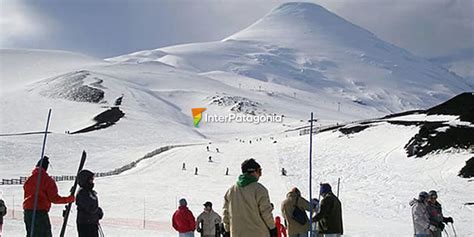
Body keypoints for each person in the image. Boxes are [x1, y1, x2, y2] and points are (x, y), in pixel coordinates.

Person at [222, 158, 277, 237]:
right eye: (259, 171)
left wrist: (227, 230)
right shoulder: (259, 189)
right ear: (252, 171)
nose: (260, 175)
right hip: (259, 233)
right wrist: (273, 229)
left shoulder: (230, 191)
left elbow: (226, 214)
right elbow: (265, 212)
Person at [23, 156, 75, 237]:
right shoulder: (47, 180)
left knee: (31, 234)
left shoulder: (29, 179)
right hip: (40, 212)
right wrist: (68, 199)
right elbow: (54, 198)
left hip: (28, 212)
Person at [76, 170, 103, 237]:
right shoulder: (82, 193)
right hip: (86, 224)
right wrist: (98, 211)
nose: (92, 182)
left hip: (91, 223)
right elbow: (91, 207)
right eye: (90, 180)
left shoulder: (89, 192)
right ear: (85, 180)